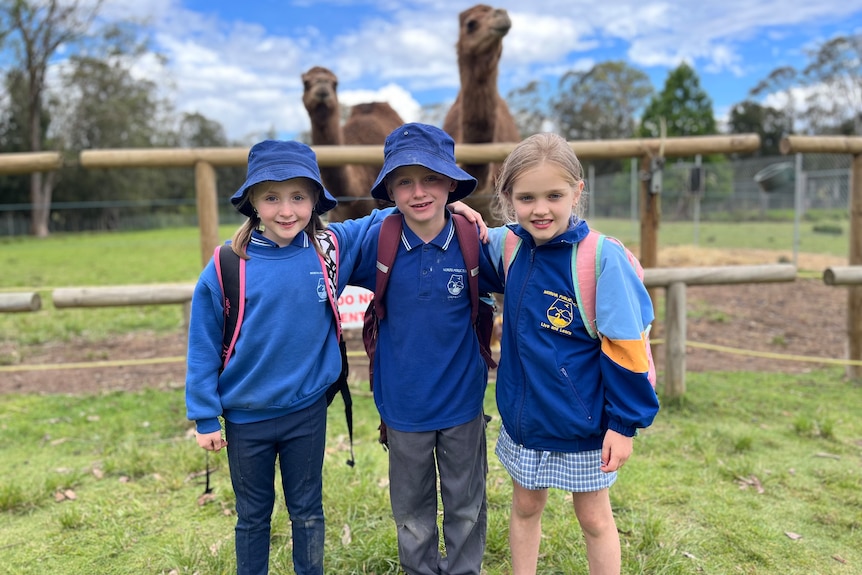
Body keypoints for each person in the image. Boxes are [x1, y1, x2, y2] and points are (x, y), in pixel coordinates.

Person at [184, 139, 486, 575]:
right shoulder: (227, 264)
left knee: (308, 511)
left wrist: (451, 208)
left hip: (307, 412)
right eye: (271, 197)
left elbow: (394, 213)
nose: (286, 210)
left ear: (315, 201)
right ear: (251, 200)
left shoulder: (330, 248)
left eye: (298, 197)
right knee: (252, 516)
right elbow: (203, 343)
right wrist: (206, 414)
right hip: (244, 415)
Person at [488, 132, 659, 575]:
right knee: (525, 506)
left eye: (554, 195)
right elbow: (465, 236)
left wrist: (623, 425)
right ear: (508, 198)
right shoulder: (508, 246)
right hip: (526, 419)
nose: (540, 209)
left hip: (586, 424)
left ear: (577, 193)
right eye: (526, 197)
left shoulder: (599, 259)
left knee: (595, 518)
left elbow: (626, 346)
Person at [349, 123, 498, 575]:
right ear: (389, 188)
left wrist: (603, 253)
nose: (419, 192)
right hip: (402, 408)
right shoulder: (377, 238)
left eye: (432, 178)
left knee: (467, 506)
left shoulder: (477, 243)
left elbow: (539, 253)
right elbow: (316, 242)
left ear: (452, 184)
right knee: (411, 513)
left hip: (462, 405)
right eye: (405, 181)